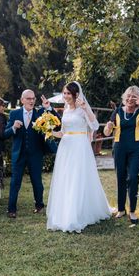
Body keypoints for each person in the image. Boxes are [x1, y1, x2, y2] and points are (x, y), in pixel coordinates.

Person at [47, 82, 111, 232]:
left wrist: (86, 109)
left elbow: (95, 126)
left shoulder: (82, 109)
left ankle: (76, 214)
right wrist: (50, 132)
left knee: (78, 177)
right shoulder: (66, 110)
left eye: (69, 93)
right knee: (66, 177)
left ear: (76, 94)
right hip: (66, 147)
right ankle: (65, 212)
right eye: (64, 93)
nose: (66, 96)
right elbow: (63, 132)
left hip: (80, 146)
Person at [103, 85, 139, 224]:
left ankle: (132, 210)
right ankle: (121, 209)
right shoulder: (117, 111)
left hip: (135, 148)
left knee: (133, 177)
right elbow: (106, 133)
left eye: (134, 96)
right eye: (128, 95)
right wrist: (108, 127)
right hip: (119, 147)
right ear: (124, 97)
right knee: (120, 177)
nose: (130, 98)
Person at [4, 89, 57, 218]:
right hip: (19, 154)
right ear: (22, 100)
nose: (32, 101)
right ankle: (11, 209)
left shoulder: (40, 113)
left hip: (35, 154)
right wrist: (13, 128)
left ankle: (39, 206)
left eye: (33, 98)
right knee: (15, 182)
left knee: (37, 181)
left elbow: (56, 119)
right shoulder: (14, 113)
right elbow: (5, 134)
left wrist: (48, 107)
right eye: (28, 98)